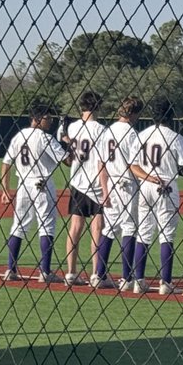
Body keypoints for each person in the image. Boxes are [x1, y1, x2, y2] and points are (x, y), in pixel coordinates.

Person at [0, 101, 68, 282]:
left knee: (19, 225)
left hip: (23, 185)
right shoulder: (45, 138)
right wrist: (68, 143)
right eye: (48, 117)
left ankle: (10, 270)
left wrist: (5, 189)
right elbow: (67, 161)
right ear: (37, 119)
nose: (50, 121)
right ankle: (45, 273)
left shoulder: (19, 135)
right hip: (42, 185)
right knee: (47, 226)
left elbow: (6, 162)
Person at [128, 97, 183, 295]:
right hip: (167, 187)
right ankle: (165, 283)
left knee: (143, 233)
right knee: (167, 235)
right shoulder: (175, 137)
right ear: (170, 115)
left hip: (145, 186)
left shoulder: (142, 135)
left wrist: (148, 177)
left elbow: (133, 166)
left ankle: (138, 281)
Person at [94, 95, 143, 288]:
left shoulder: (107, 132)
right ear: (133, 113)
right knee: (130, 228)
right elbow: (134, 164)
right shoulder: (131, 134)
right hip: (127, 184)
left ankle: (99, 275)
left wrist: (104, 190)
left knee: (109, 228)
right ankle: (127, 278)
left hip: (111, 183)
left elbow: (101, 163)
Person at [63, 90, 107, 285]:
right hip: (97, 184)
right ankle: (96, 274)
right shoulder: (102, 130)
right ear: (97, 107)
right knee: (97, 228)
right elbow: (102, 162)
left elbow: (68, 156)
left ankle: (71, 273)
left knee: (75, 228)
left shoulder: (72, 128)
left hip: (78, 182)